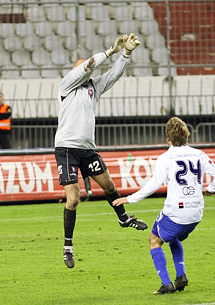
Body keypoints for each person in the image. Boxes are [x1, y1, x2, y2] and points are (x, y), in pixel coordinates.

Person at [55, 33, 148, 269]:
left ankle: (124, 219)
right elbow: (89, 65)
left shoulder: (93, 88)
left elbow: (113, 75)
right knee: (73, 198)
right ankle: (68, 247)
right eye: (83, 69)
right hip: (66, 148)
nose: (87, 72)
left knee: (109, 186)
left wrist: (126, 53)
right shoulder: (67, 85)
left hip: (88, 149)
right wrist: (110, 51)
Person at [112, 117, 215, 294]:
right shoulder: (199, 154)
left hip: (176, 213)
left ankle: (167, 284)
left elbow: (154, 185)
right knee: (172, 238)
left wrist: (130, 199)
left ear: (168, 139)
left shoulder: (166, 157)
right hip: (196, 213)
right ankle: (181, 276)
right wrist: (210, 189)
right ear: (187, 135)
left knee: (154, 240)